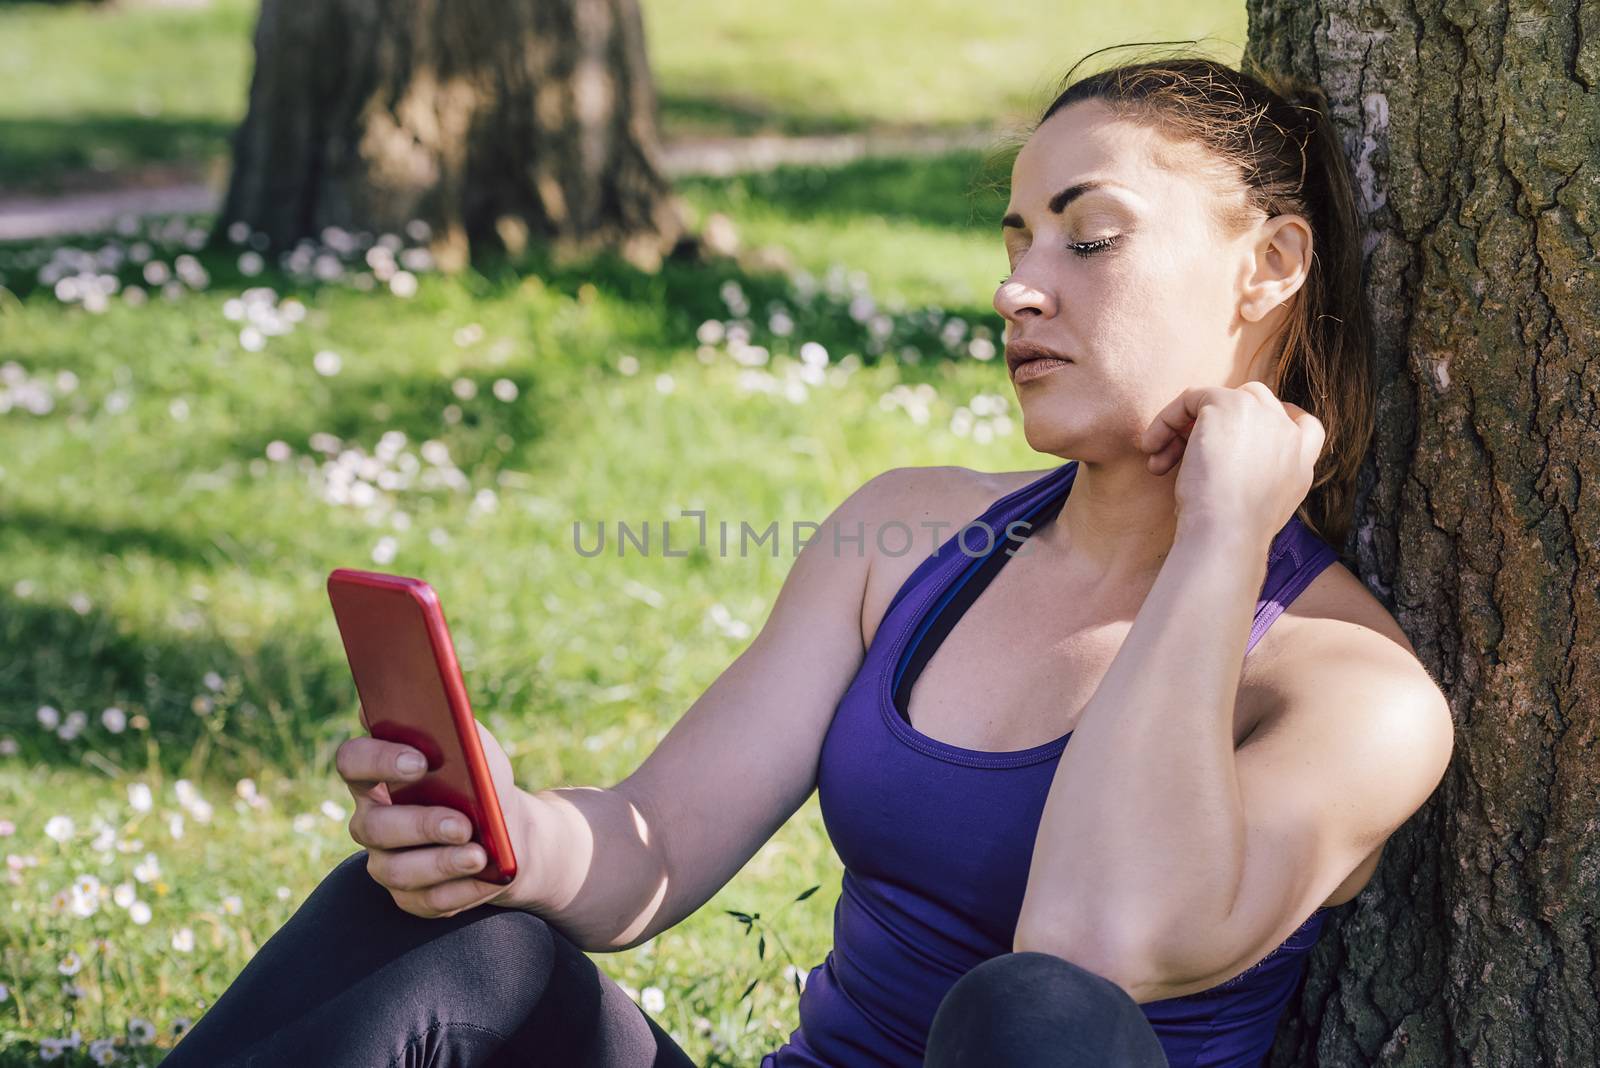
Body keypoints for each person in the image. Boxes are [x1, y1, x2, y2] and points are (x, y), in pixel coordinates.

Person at [162, 47, 1455, 1068]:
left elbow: (1089, 946)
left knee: (1031, 1012)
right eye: (1014, 240)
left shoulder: (1356, 694)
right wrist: (511, 842)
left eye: (1088, 236)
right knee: (426, 934)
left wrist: (1223, 535)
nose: (1017, 288)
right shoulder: (910, 540)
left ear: (1269, 265)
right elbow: (654, 839)